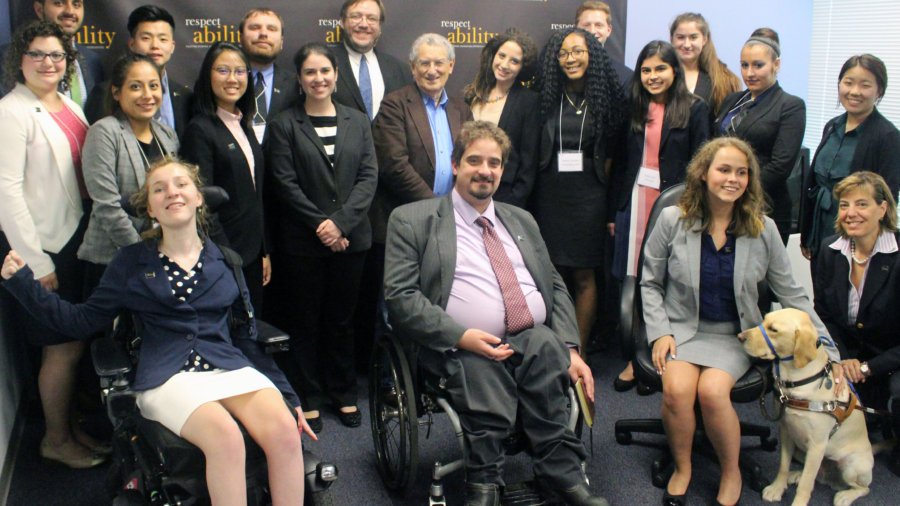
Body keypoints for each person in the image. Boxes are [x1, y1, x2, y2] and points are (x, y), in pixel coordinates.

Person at [3, 158, 315, 503]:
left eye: (182, 184)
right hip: (169, 375)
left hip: (228, 365)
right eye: (159, 188)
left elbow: (246, 336)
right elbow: (78, 321)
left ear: (198, 198)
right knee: (226, 438)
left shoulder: (227, 260)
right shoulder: (130, 263)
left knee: (286, 429)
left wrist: (286, 394)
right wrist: (22, 283)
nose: (172, 192)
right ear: (150, 208)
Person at [384, 120, 607, 506]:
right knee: (479, 370)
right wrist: (461, 335)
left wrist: (571, 347)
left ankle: (562, 474)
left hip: (530, 335)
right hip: (457, 344)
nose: (485, 170)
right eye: (474, 160)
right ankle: (484, 484)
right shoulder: (413, 220)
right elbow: (401, 297)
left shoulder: (521, 219)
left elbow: (553, 284)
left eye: (494, 163)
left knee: (549, 353)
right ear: (455, 165)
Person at [640, 137, 839, 506]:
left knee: (712, 393)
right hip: (681, 329)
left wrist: (829, 349)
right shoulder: (672, 219)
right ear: (703, 173)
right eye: (724, 170)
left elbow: (793, 296)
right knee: (676, 391)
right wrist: (660, 333)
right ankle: (683, 468)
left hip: (737, 335)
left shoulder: (763, 229)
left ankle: (730, 472)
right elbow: (649, 282)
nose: (733, 179)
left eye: (742, 172)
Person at [0, 20, 102, 469]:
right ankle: (54, 441)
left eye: (57, 55)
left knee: (74, 343)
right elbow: (6, 191)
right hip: (45, 246)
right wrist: (37, 262)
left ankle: (69, 430)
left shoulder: (67, 104)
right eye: (38, 54)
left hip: (76, 237)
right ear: (19, 59)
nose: (48, 62)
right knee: (59, 348)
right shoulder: (11, 111)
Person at [266, 43, 377, 433]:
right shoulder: (284, 124)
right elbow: (284, 183)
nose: (319, 79)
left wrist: (341, 225)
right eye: (310, 72)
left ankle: (343, 393)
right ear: (299, 79)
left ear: (335, 75)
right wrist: (323, 227)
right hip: (302, 243)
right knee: (305, 321)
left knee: (343, 321)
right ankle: (308, 396)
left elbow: (368, 177)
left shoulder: (357, 121)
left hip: (351, 241)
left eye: (325, 71)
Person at [608, 40, 709, 391]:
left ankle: (659, 354)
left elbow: (702, 164)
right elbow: (620, 162)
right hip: (634, 201)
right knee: (632, 279)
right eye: (646, 70)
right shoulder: (633, 107)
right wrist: (613, 211)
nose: (653, 76)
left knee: (665, 280)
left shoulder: (695, 109)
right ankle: (634, 359)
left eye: (660, 69)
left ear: (674, 71)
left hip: (674, 206)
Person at [532, 27, 625, 353]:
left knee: (585, 275)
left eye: (578, 51)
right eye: (564, 53)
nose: (571, 58)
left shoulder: (607, 100)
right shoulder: (546, 96)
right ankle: (553, 348)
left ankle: (578, 351)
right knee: (552, 273)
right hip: (550, 195)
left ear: (592, 55)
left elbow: (614, 157)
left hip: (589, 197)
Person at [812, 171, 900, 477]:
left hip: (891, 356)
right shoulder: (829, 249)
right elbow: (822, 313)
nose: (851, 213)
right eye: (844, 205)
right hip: (847, 351)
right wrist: (842, 358)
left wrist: (867, 367)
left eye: (861, 204)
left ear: (883, 208)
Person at [180, 42, 268, 316]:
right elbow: (203, 203)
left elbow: (256, 194)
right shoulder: (201, 129)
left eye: (240, 71)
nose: (233, 79)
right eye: (223, 70)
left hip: (252, 253)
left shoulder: (243, 124)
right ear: (208, 75)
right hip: (224, 255)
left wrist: (264, 250)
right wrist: (226, 255)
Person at [78, 53, 179, 290]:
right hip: (113, 261)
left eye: (153, 86)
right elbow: (106, 206)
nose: (147, 95)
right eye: (136, 86)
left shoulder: (167, 135)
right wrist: (143, 255)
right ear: (116, 92)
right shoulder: (104, 132)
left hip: (161, 255)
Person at [800, 55, 900, 265]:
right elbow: (815, 184)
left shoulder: (888, 136)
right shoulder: (832, 126)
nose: (854, 91)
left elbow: (888, 199)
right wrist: (807, 233)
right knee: (823, 294)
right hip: (820, 232)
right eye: (848, 82)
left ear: (879, 91)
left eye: (865, 85)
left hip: (857, 238)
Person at [715, 35, 806, 244]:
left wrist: (738, 189)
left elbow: (781, 165)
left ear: (776, 64)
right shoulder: (733, 100)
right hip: (722, 204)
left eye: (758, 65)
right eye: (744, 65)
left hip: (762, 206)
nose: (750, 73)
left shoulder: (790, 106)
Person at [84, 5, 193, 135]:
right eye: (146, 38)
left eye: (163, 39)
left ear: (172, 46)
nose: (155, 45)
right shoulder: (103, 93)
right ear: (132, 44)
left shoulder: (185, 96)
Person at [463, 28, 540, 208]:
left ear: (523, 67)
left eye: (514, 61)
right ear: (493, 56)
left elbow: (529, 162)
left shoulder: (529, 101)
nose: (505, 65)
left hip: (506, 197)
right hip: (467, 191)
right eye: (502, 56)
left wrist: (514, 201)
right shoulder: (472, 95)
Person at [1, 1, 105, 105]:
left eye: (76, 4)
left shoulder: (92, 60)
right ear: (39, 10)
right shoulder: (5, 57)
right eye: (59, 3)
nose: (70, 11)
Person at [332, 0, 410, 121]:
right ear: (342, 22)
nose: (364, 24)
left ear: (379, 26)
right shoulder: (325, 65)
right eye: (356, 16)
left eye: (372, 18)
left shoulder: (401, 70)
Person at [239, 7, 301, 143]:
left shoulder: (297, 85)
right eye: (255, 27)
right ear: (241, 38)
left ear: (282, 42)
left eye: (271, 29)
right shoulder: (224, 83)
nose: (263, 34)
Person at [669, 12, 740, 117]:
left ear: (704, 39)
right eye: (680, 37)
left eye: (693, 37)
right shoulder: (660, 74)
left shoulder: (724, 79)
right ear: (671, 39)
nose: (687, 44)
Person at [574, 1, 632, 87]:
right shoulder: (562, 71)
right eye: (586, 25)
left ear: (608, 30)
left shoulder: (625, 77)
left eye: (598, 25)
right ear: (576, 29)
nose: (592, 31)